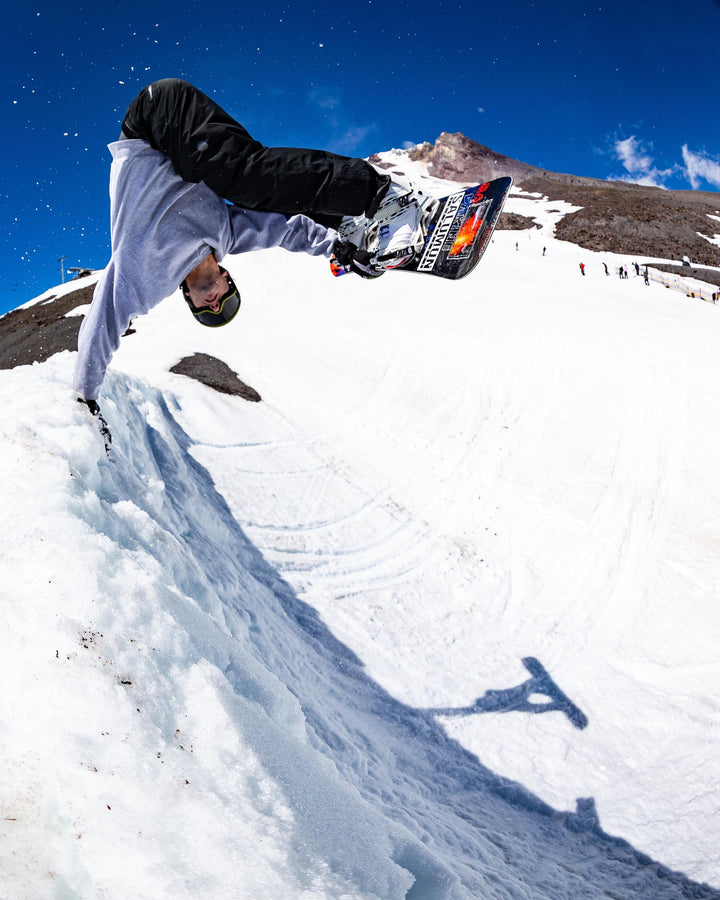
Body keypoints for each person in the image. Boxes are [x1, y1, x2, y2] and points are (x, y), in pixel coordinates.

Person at [74, 79, 416, 407]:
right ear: (226, 279)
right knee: (264, 198)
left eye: (205, 308)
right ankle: (352, 223)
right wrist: (338, 249)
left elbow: (102, 325)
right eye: (223, 301)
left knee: (243, 180)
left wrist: (84, 397)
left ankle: (378, 193)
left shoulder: (145, 277)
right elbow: (288, 230)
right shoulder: (228, 234)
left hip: (154, 120)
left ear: (187, 296)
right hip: (180, 142)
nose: (213, 302)